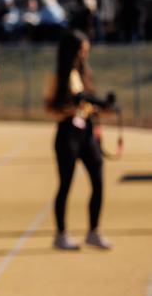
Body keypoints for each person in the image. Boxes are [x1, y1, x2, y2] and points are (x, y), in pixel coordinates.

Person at [45, 30, 114, 250]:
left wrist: (102, 107)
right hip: (67, 132)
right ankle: (61, 234)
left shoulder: (83, 74)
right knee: (65, 183)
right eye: (82, 50)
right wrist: (68, 107)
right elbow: (50, 108)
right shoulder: (58, 77)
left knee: (98, 177)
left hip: (85, 131)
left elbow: (88, 105)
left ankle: (93, 230)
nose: (85, 54)